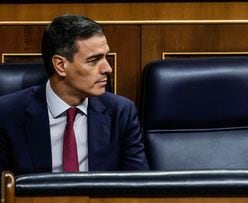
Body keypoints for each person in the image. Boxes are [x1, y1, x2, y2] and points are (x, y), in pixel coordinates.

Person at [0, 14, 149, 175]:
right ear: (60, 66)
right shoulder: (7, 114)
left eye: (105, 57)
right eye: (94, 60)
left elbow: (138, 188)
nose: (107, 69)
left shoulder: (121, 113)